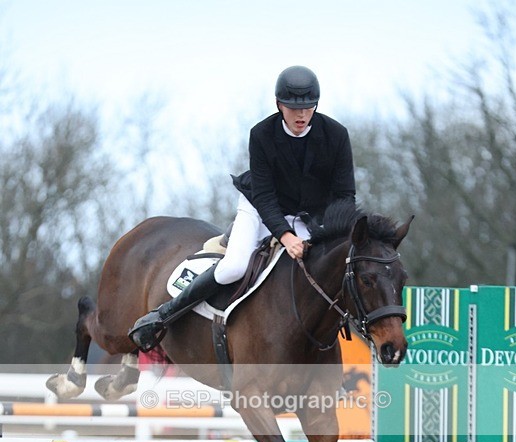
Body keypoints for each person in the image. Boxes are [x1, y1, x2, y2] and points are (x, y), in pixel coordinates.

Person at [129, 65, 356, 352]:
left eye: (308, 108)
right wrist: (285, 237)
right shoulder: (261, 134)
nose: (301, 115)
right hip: (261, 207)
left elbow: (345, 195)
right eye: (293, 108)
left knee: (320, 270)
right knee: (234, 266)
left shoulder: (336, 135)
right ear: (278, 105)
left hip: (306, 216)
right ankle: (163, 315)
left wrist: (331, 234)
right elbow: (264, 196)